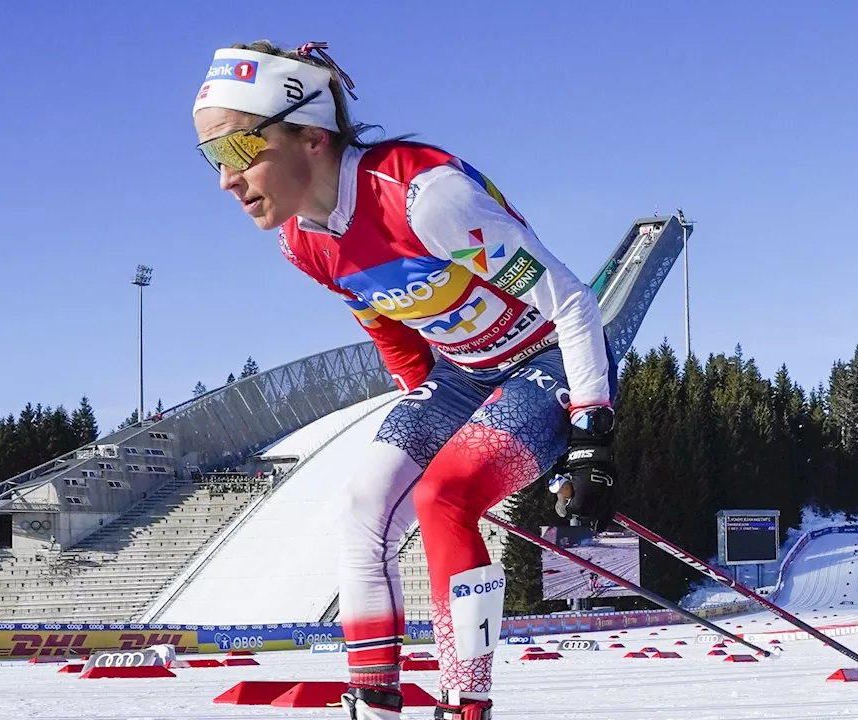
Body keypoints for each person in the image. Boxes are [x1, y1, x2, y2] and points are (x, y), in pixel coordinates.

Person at [191, 41, 618, 720]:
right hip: (460, 374)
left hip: (544, 358)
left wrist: (591, 432)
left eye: (237, 151)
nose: (224, 179)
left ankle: (466, 705)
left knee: (446, 496)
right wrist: (426, 416)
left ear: (309, 136)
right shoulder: (304, 241)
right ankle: (374, 698)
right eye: (211, 158)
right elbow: (386, 324)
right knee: (365, 504)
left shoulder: (427, 199)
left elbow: (571, 302)